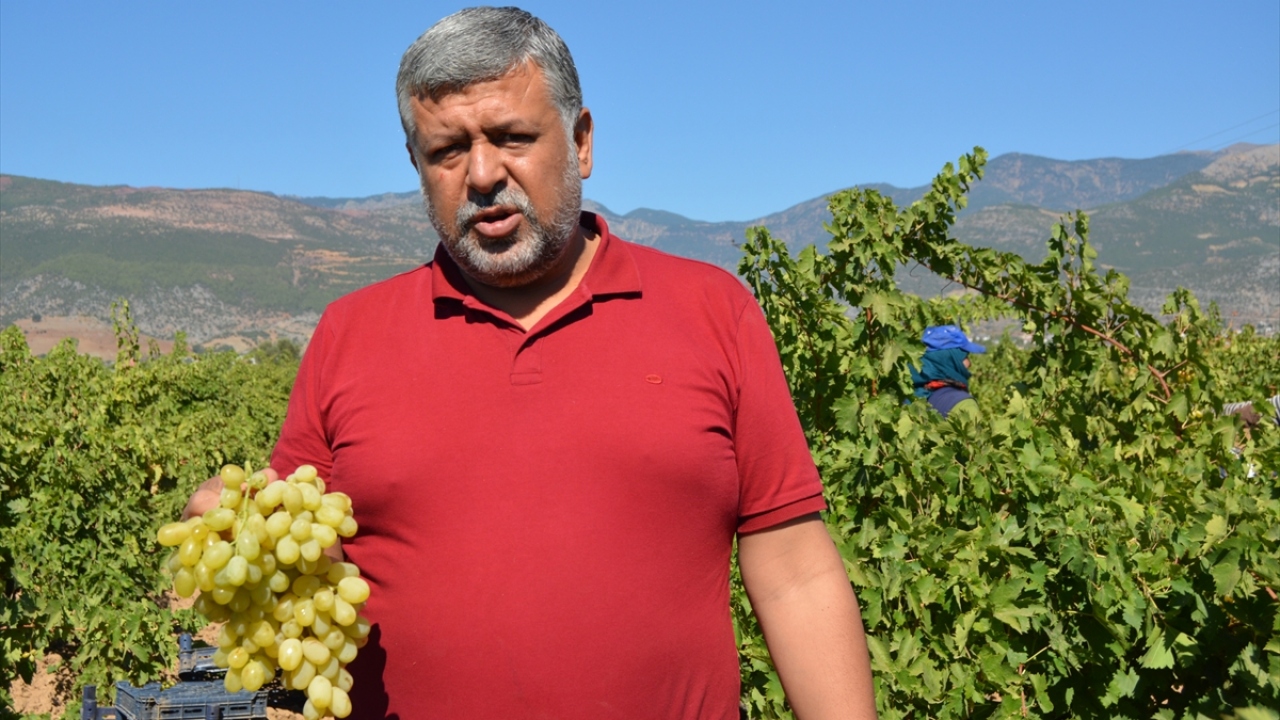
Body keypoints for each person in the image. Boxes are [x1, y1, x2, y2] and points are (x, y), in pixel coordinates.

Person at [184, 7, 877, 719]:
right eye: (447, 151)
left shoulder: (712, 312)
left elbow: (794, 572)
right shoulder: (349, 333)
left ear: (580, 143)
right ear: (416, 167)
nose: (482, 174)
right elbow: (308, 573)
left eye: (513, 137)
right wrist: (246, 537)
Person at [910, 325, 985, 418]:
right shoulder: (964, 406)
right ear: (949, 359)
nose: (969, 364)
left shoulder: (909, 397)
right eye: (965, 356)